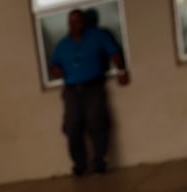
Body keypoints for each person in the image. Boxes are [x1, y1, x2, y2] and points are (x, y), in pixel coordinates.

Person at [49, 9, 129, 177]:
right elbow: (54, 65)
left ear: (83, 22)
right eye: (70, 22)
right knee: (72, 126)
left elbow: (113, 53)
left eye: (77, 21)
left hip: (93, 86)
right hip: (72, 90)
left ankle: (99, 162)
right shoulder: (63, 44)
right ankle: (79, 165)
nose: (73, 25)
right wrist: (57, 70)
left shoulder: (97, 36)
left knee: (97, 123)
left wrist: (121, 70)